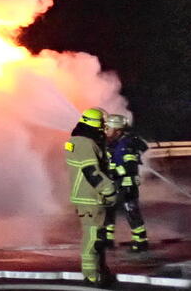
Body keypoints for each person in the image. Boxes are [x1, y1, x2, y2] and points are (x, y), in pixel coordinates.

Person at [65, 107, 117, 287]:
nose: (104, 127)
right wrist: (109, 189)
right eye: (102, 124)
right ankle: (91, 276)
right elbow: (91, 172)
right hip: (91, 198)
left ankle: (100, 271)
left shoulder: (78, 141)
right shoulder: (86, 143)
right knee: (93, 238)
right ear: (95, 124)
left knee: (98, 238)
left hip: (88, 197)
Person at [104, 113, 150, 252]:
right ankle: (107, 239)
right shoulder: (114, 143)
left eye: (108, 128)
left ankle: (140, 242)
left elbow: (129, 167)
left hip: (127, 185)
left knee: (132, 212)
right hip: (115, 184)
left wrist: (113, 172)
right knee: (108, 211)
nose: (106, 131)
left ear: (117, 130)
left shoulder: (126, 145)